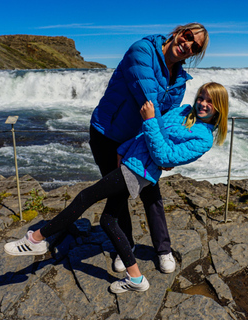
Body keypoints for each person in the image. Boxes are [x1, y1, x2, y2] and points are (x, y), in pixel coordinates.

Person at [4, 82, 229, 294]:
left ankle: (36, 239)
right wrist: (123, 148)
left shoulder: (203, 139)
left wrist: (149, 120)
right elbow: (146, 135)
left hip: (139, 172)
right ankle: (136, 279)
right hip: (131, 161)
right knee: (108, 220)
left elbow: (164, 156)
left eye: (210, 101)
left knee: (85, 196)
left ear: (219, 108)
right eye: (201, 97)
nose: (203, 103)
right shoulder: (182, 111)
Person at [89, 23, 209, 274]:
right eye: (188, 37)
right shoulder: (142, 50)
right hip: (107, 134)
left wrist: (163, 150)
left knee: (151, 193)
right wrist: (161, 149)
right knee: (118, 194)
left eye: (195, 47)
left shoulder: (179, 82)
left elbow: (162, 118)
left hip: (143, 138)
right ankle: (126, 246)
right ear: (178, 32)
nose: (188, 45)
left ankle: (163, 249)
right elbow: (149, 99)